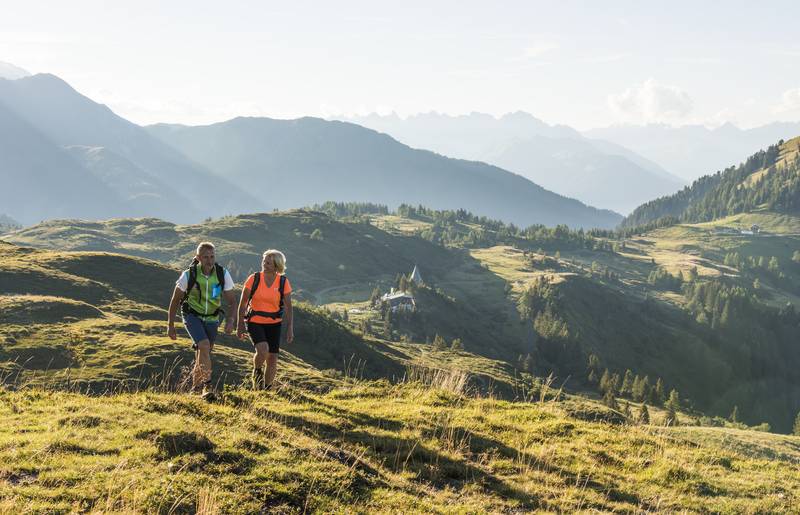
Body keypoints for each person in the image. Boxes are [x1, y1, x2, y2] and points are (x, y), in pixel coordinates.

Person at [167, 242, 236, 400]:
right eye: (205, 257)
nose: (209, 261)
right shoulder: (188, 275)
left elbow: (232, 301)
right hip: (192, 316)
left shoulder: (222, 274)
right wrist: (170, 325)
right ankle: (208, 386)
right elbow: (175, 300)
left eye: (212, 257)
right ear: (198, 258)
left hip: (213, 318)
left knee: (203, 351)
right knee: (204, 346)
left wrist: (231, 320)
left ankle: (195, 389)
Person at [237, 249, 294, 390]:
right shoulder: (253, 279)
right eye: (264, 261)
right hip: (255, 321)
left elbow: (289, 307)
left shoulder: (283, 282)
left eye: (268, 262)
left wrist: (290, 328)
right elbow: (243, 303)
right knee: (263, 350)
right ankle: (257, 370)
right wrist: (239, 324)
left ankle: (267, 389)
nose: (264, 264)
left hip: (274, 324)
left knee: (273, 357)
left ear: (276, 265)